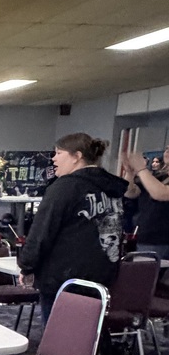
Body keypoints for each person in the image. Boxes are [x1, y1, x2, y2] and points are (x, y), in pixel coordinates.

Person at [19, 134, 128, 321]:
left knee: (60, 342)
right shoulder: (112, 188)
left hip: (65, 280)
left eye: (59, 153)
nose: (53, 158)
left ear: (76, 156)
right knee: (87, 338)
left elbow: (42, 233)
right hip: (103, 276)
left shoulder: (65, 187)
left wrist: (26, 266)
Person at [122, 145, 169, 260]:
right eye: (167, 148)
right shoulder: (159, 176)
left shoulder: (152, 178)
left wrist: (141, 169)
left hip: (162, 240)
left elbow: (160, 194)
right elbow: (130, 192)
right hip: (146, 237)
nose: (167, 152)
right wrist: (130, 173)